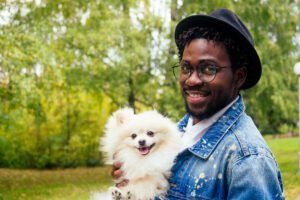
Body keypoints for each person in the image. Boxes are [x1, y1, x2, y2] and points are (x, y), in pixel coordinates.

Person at [112, 8, 284, 199]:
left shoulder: (248, 160)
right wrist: (135, 182)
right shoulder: (178, 132)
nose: (192, 80)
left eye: (208, 68)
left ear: (239, 76)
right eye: (186, 68)